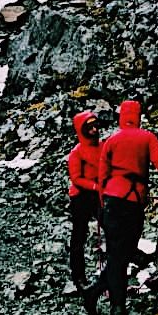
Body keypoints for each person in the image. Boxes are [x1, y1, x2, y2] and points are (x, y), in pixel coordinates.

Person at [80, 99, 158, 315]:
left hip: (112, 203)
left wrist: (102, 208)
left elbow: (102, 177)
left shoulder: (111, 141)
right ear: (138, 116)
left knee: (118, 253)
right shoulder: (147, 138)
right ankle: (116, 306)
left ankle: (98, 293)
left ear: (121, 117)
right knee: (122, 254)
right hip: (133, 202)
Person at [65, 109, 102, 291]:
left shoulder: (102, 146)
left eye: (96, 126)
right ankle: (79, 277)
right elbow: (76, 178)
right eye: (90, 127)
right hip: (81, 196)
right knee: (79, 236)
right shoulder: (76, 153)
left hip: (98, 193)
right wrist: (95, 186)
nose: (95, 130)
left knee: (110, 228)